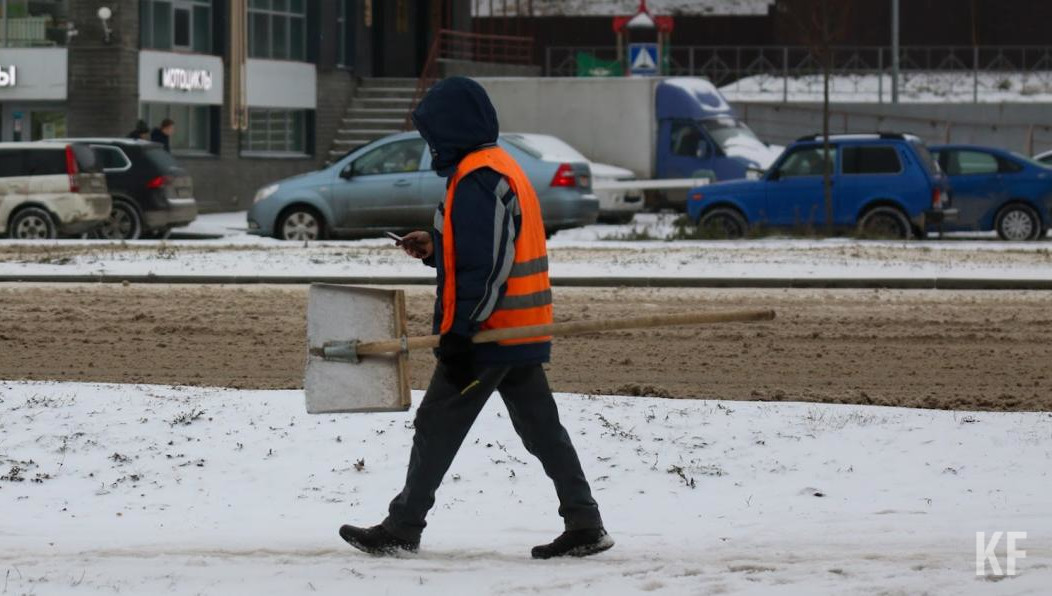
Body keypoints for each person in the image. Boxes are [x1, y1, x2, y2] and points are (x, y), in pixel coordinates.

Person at [338, 77, 612, 560]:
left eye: (433, 134)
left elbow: (485, 267)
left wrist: (461, 333)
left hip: (488, 334)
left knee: (436, 423)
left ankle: (403, 527)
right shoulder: (496, 167)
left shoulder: (478, 178)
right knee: (541, 428)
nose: (430, 144)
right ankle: (585, 522)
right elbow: (478, 251)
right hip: (515, 329)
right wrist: (435, 249)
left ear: (452, 129)